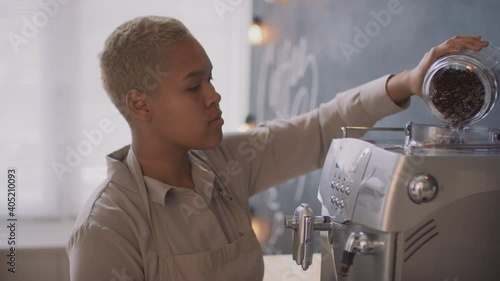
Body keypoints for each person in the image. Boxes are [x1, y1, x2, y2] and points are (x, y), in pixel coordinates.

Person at [66, 15, 489, 281]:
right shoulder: (107, 230)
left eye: (210, 79)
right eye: (194, 85)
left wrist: (409, 82)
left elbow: (319, 129)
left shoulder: (224, 163)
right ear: (140, 103)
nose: (214, 96)